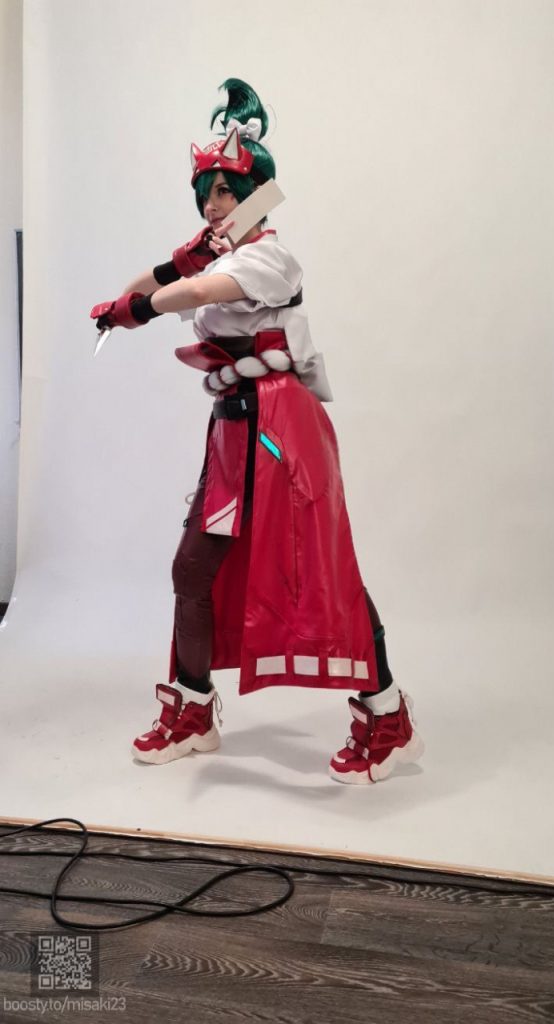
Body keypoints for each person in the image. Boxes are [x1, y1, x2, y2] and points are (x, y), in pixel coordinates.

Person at [91, 78, 424, 784]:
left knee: (323, 570)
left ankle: (388, 717)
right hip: (234, 431)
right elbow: (157, 282)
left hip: (284, 431)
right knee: (193, 569)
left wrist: (143, 307)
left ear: (254, 195)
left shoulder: (268, 257)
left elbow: (193, 293)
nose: (213, 203)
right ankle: (192, 709)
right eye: (205, 193)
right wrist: (142, 287)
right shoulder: (221, 254)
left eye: (225, 191)